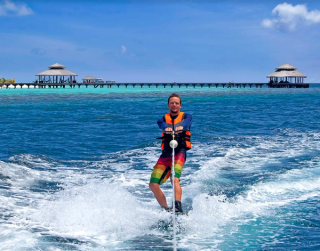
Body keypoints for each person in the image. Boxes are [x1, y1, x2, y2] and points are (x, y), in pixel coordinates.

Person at [149, 93, 192, 213]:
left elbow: (187, 123)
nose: (174, 105)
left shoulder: (186, 116)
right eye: (172, 103)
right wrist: (166, 128)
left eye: (176, 103)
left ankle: (177, 206)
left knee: (174, 178)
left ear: (180, 105)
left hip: (179, 151)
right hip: (166, 153)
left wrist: (181, 127)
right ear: (168, 105)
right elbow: (162, 125)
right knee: (153, 184)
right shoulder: (162, 119)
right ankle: (165, 209)